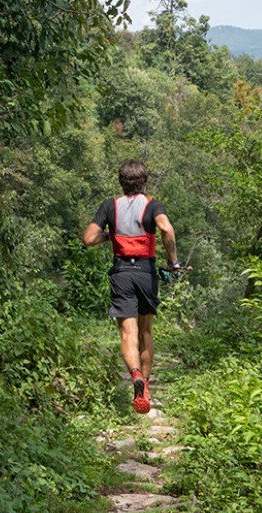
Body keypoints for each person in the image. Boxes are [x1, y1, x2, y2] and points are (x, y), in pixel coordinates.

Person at [82, 159, 181, 414]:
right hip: (146, 273)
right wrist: (174, 263)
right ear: (144, 181)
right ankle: (145, 385)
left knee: (127, 333)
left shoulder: (109, 206)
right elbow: (166, 229)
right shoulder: (152, 206)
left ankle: (134, 374)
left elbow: (88, 238)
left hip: (122, 273)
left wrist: (111, 235)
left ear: (121, 182)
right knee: (145, 331)